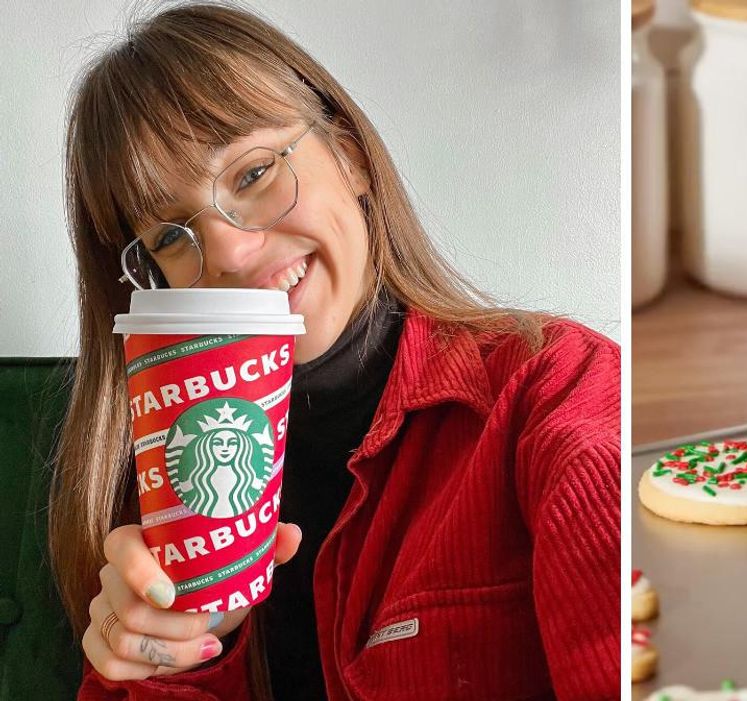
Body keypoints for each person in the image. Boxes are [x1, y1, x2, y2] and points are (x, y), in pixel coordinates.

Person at [48, 3, 621, 700]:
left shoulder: (552, 391)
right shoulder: (158, 495)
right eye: (171, 234)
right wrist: (193, 650)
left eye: (253, 174)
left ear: (347, 152)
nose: (228, 249)